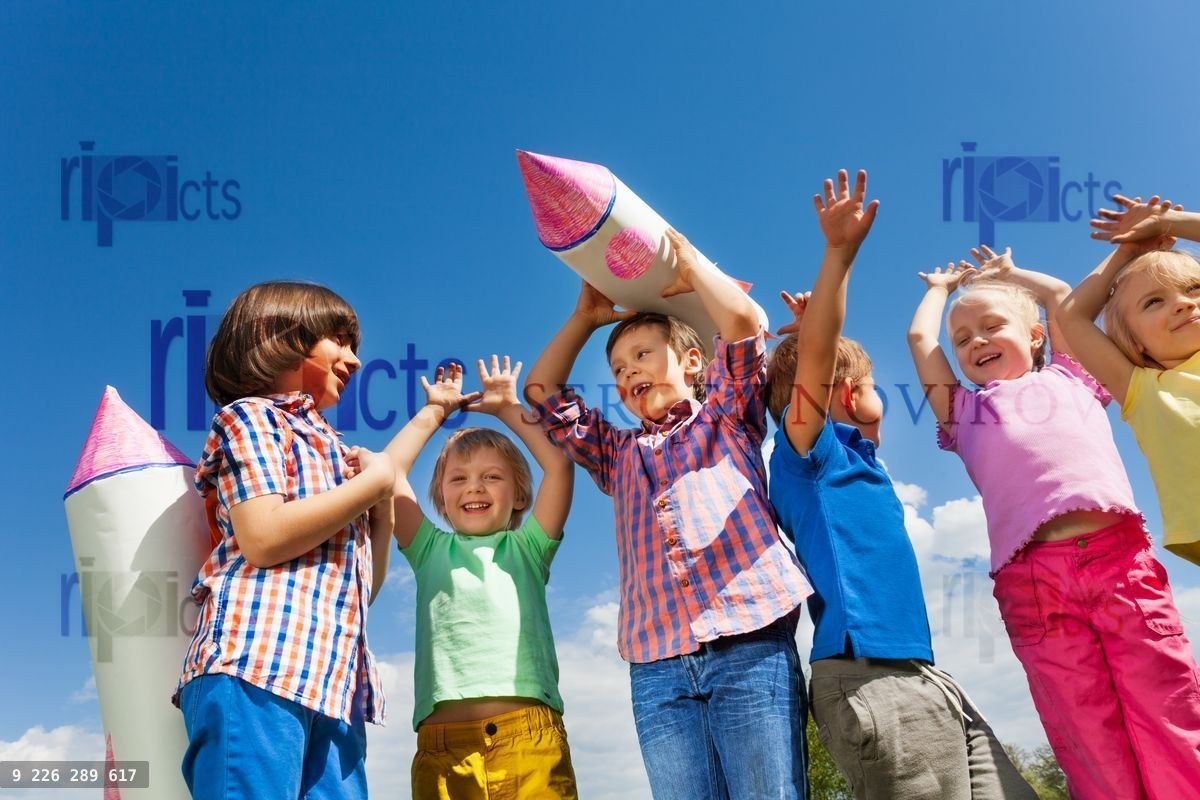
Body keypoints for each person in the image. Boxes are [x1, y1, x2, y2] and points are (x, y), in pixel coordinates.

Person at [766, 169, 1034, 799]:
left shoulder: (858, 459)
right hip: (870, 680)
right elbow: (819, 361)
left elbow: (823, 361)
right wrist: (838, 259)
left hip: (924, 675)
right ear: (846, 392)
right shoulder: (809, 453)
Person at [525, 228, 813, 799]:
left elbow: (741, 326)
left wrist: (691, 265)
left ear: (691, 361)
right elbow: (541, 390)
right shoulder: (617, 454)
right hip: (656, 663)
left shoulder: (727, 418)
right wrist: (585, 319)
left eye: (641, 355)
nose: (629, 372)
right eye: (618, 370)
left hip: (750, 641)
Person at [907, 248, 1200, 798]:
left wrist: (1009, 276)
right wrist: (939, 290)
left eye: (992, 326)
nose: (976, 342)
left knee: (1166, 703)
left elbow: (1062, 298)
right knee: (1085, 731)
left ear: (1037, 335)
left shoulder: (1074, 377)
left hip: (1118, 563)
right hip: (1034, 584)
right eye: (964, 338)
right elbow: (922, 342)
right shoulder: (965, 413)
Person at [175, 280, 394, 799]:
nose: (354, 361)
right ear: (278, 334)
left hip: (334, 687)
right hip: (257, 669)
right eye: (339, 341)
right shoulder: (252, 417)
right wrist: (373, 484)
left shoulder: (338, 454)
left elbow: (366, 589)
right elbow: (265, 537)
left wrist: (379, 507)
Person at [381, 356, 578, 799]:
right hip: (442, 751)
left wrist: (508, 408)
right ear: (441, 499)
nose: (475, 487)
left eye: (492, 477)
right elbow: (385, 474)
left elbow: (560, 467)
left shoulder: (528, 548)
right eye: (459, 478)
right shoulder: (429, 549)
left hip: (528, 743)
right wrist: (436, 411)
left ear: (519, 494)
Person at [1058, 193, 1200, 565]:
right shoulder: (1146, 391)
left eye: (1194, 288)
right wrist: (1127, 251)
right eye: (1154, 302)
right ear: (1135, 343)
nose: (1184, 303)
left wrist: (1167, 222)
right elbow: (1072, 316)